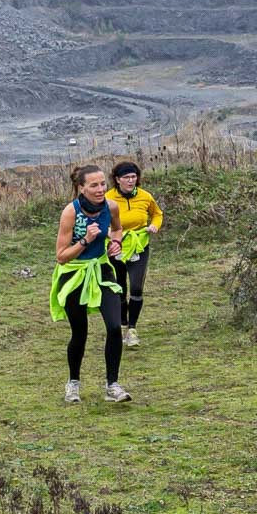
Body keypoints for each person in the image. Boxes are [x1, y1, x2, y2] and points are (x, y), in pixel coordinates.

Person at [51, 165, 131, 404]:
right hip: (74, 273)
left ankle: (112, 385)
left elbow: (117, 229)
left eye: (103, 184)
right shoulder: (71, 212)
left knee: (115, 327)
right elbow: (61, 256)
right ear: (81, 188)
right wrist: (86, 240)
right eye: (93, 185)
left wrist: (115, 243)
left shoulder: (111, 206)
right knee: (80, 332)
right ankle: (73, 383)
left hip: (101, 269)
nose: (100, 189)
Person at [105, 161, 164, 349]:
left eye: (133, 177)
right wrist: (108, 232)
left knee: (137, 287)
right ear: (117, 179)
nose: (131, 180)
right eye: (126, 177)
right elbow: (98, 219)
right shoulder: (108, 198)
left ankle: (132, 329)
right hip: (117, 246)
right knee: (120, 288)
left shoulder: (145, 196)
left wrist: (154, 225)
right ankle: (123, 323)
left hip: (139, 245)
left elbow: (157, 214)